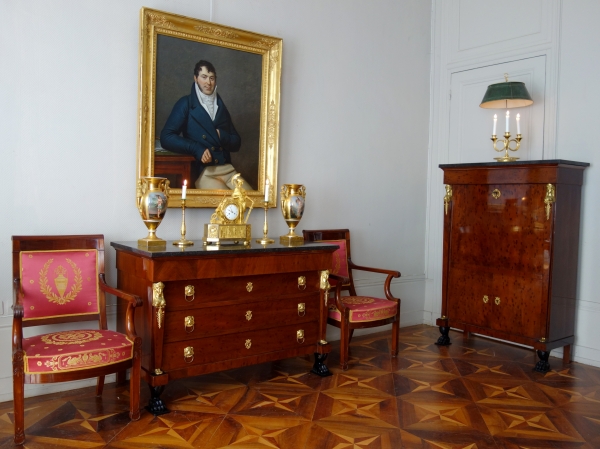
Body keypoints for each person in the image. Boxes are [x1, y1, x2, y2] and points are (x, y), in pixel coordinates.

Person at [160, 60, 252, 190]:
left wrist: (222, 136)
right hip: (204, 172)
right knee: (229, 205)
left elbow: (236, 142)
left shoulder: (220, 106)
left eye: (211, 78)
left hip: (228, 170)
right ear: (196, 78)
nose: (208, 83)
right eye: (204, 77)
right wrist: (196, 148)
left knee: (252, 201)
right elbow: (166, 137)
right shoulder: (186, 103)